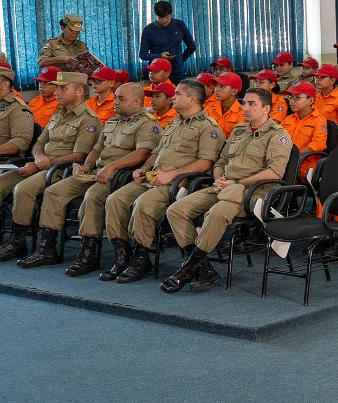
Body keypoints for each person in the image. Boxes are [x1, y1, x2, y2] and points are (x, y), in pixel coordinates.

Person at [160, 88, 293, 293]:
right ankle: (202, 268)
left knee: (216, 214)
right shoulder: (239, 130)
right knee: (176, 210)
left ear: (267, 109)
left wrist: (237, 182)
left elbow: (274, 173)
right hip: (225, 187)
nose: (245, 108)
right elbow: (220, 162)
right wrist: (218, 179)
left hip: (253, 193)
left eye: (252, 104)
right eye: (244, 103)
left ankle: (187, 269)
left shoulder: (278, 135)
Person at [22, 82, 158, 273]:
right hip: (97, 172)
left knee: (93, 196)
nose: (116, 102)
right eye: (116, 97)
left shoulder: (148, 123)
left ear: (137, 102)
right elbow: (97, 149)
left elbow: (143, 153)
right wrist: (87, 166)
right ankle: (47, 248)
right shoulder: (112, 121)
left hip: (120, 176)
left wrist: (111, 167)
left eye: (121, 99)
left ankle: (90, 252)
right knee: (54, 191)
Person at [100, 80, 225, 283]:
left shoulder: (207, 127)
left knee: (144, 204)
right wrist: (144, 169)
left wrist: (172, 174)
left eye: (177, 94)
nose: (173, 97)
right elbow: (157, 152)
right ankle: (122, 255)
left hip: (179, 183)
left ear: (192, 99)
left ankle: (142, 256)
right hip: (154, 178)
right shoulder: (174, 122)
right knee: (115, 199)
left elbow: (205, 164)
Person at [0, 72, 98, 261]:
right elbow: (38, 142)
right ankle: (15, 239)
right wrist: (38, 157)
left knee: (23, 189)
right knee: (3, 182)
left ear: (79, 91)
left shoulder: (88, 120)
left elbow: (80, 155)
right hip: (42, 164)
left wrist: (45, 163)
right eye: (57, 87)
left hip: (62, 169)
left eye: (63, 88)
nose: (57, 92)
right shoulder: (58, 113)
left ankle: (27, 243)